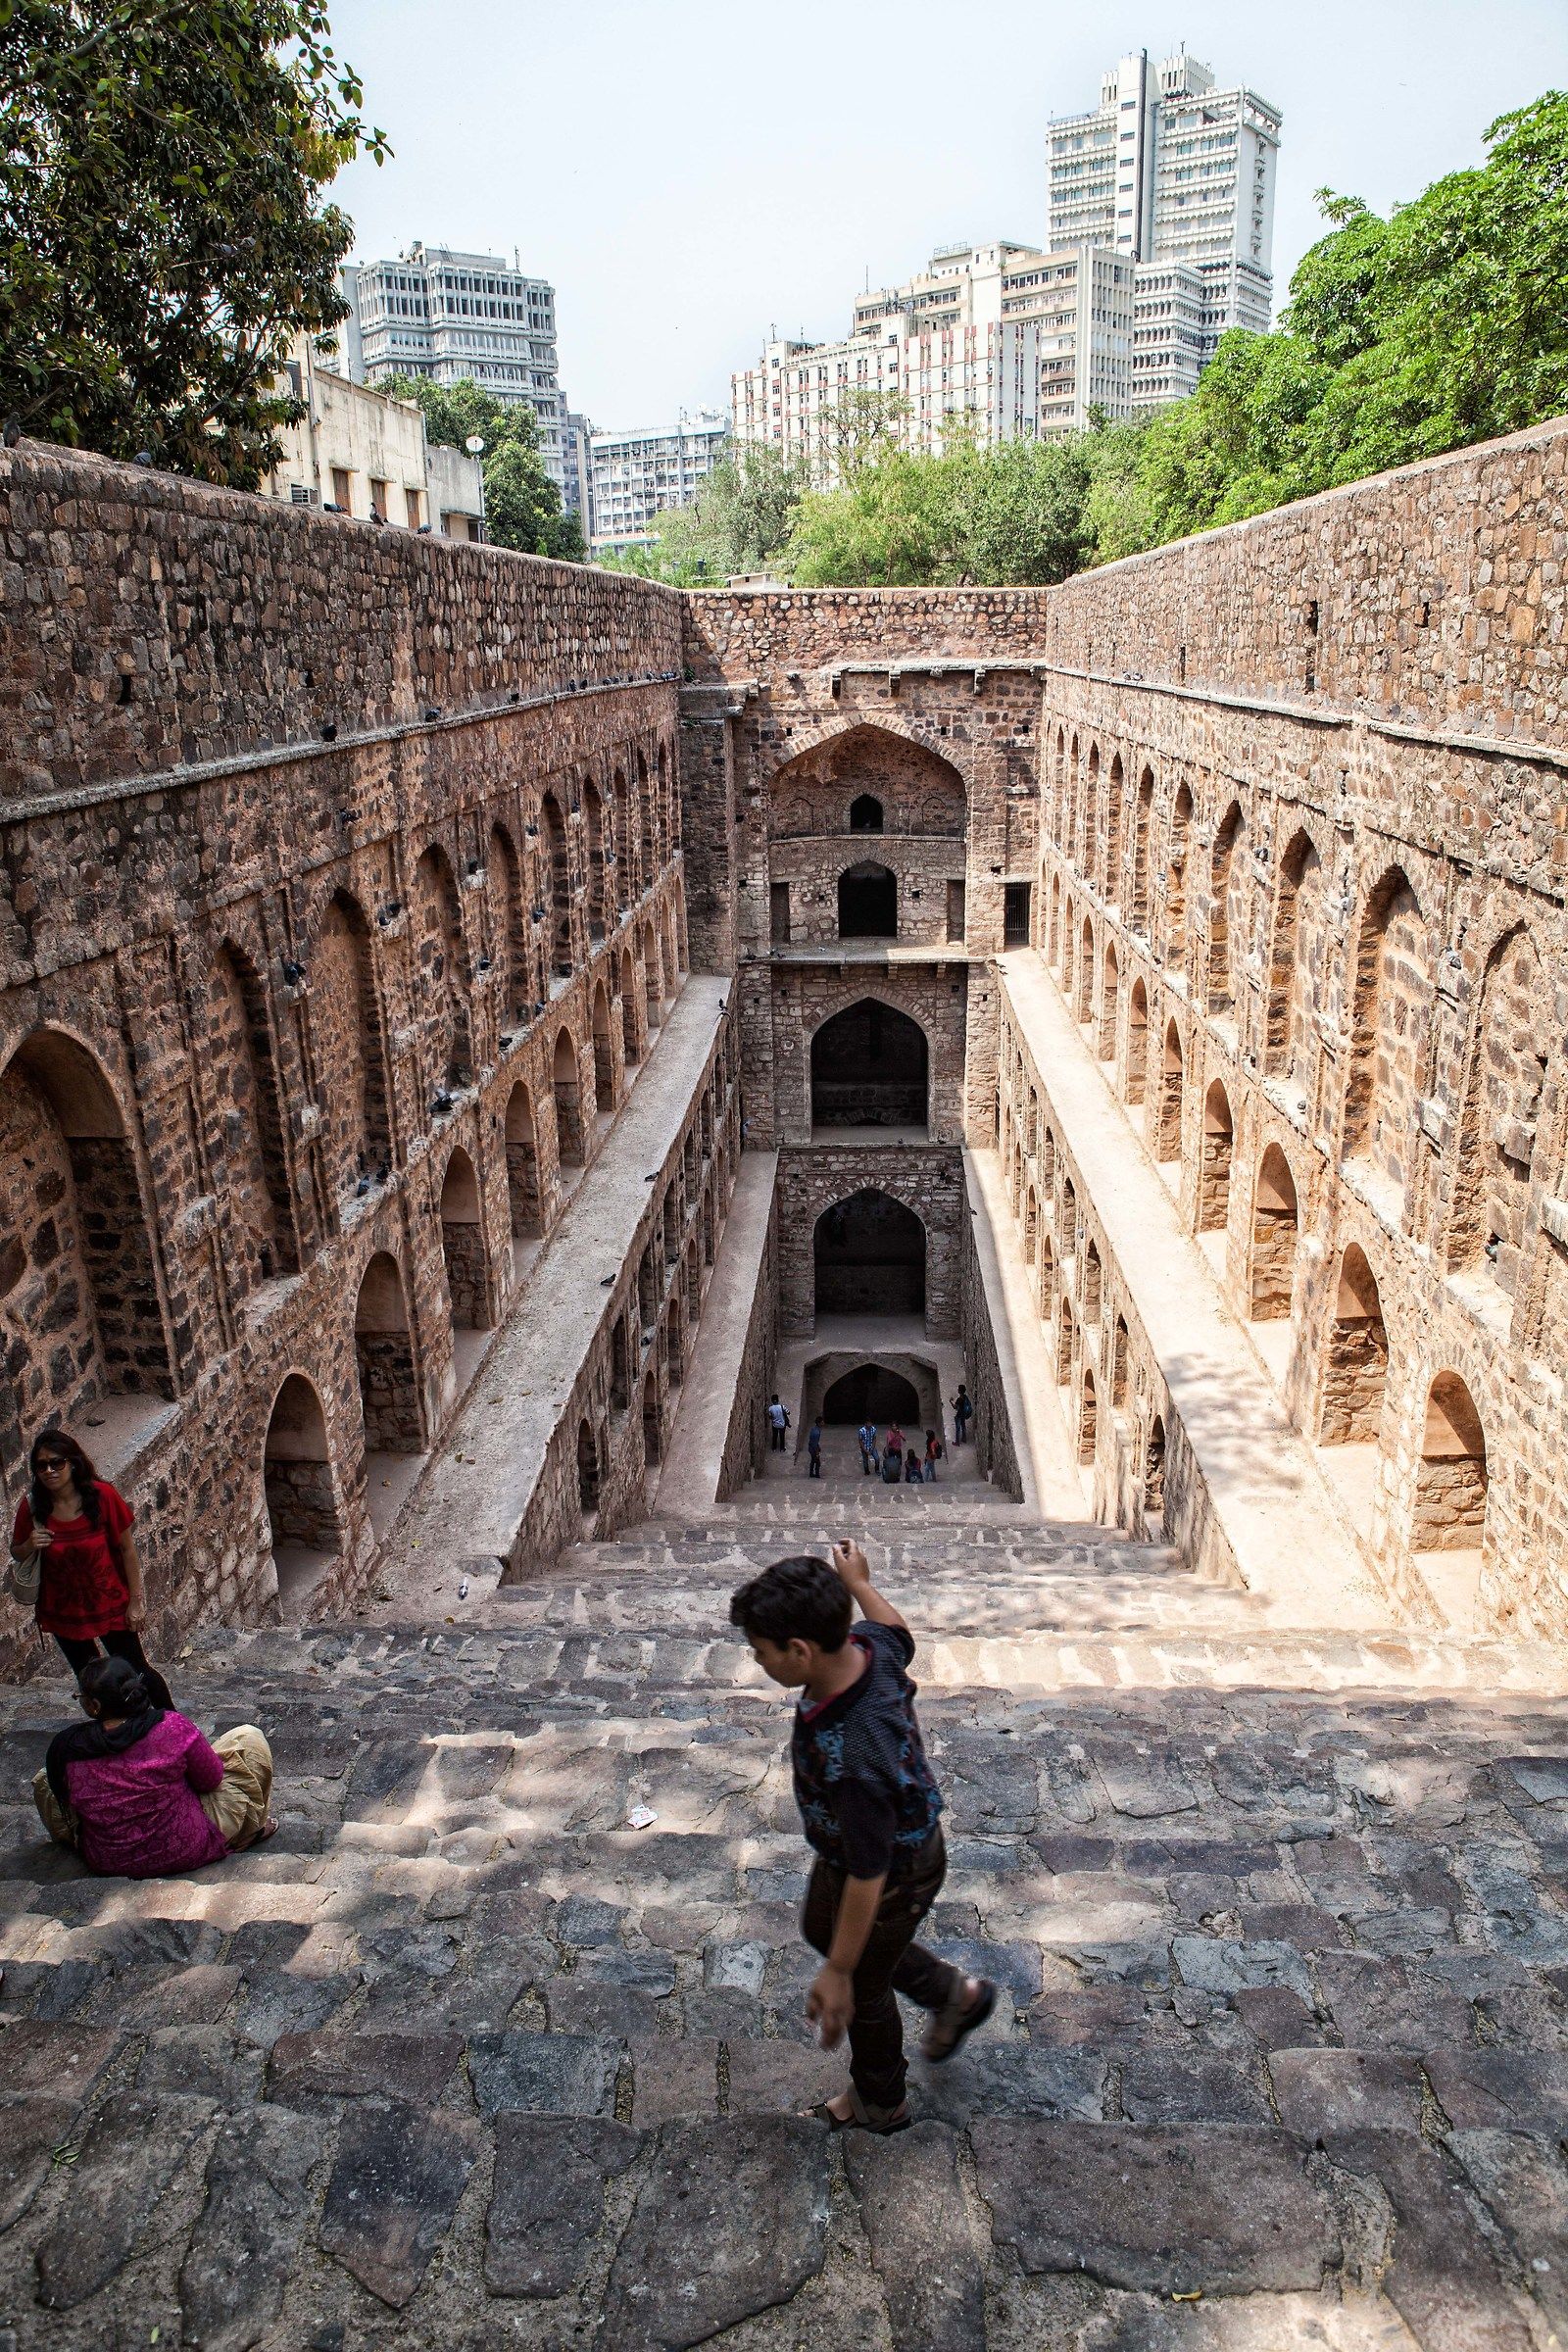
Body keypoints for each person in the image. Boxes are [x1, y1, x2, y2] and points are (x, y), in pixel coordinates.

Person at [727, 1544, 995, 2133]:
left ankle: (881, 2098)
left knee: (866, 1984)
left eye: (762, 1652)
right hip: (854, 1850)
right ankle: (956, 1995)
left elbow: (869, 1877)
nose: (758, 1660)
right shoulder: (868, 1648)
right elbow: (898, 1630)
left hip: (893, 1868)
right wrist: (859, 1583)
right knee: (821, 1928)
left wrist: (840, 1973)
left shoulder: (856, 1757)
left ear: (799, 1651)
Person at [32, 1654, 275, 1878]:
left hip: (109, 1861)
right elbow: (211, 1779)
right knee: (249, 1738)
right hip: (184, 1848)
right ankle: (250, 1831)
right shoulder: (172, 1727)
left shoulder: (68, 1748)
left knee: (46, 1779)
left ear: (94, 1706)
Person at [10, 1432, 174, 1709]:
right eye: (41, 1466)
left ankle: (173, 1726)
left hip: (108, 1603)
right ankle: (117, 1733)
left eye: (56, 1462)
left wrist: (136, 1601)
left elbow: (127, 1550)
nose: (49, 1471)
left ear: (72, 1463)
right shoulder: (34, 1506)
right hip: (64, 1611)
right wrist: (29, 1544)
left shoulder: (102, 1496)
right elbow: (17, 1551)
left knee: (138, 1670)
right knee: (91, 1680)